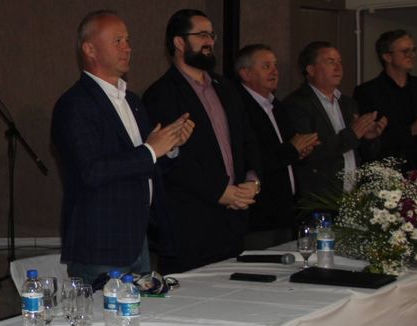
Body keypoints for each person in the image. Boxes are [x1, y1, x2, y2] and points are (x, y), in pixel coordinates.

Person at [51, 9, 193, 284]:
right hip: (100, 244)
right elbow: (90, 171)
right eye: (117, 41)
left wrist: (169, 147)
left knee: (140, 310)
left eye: (128, 40)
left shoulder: (133, 101)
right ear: (90, 49)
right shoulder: (74, 105)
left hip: (137, 238)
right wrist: (151, 150)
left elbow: (144, 165)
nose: (127, 48)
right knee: (106, 313)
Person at [142, 9, 261, 273]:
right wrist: (220, 191)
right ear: (179, 42)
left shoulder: (226, 88)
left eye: (212, 35)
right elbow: (172, 162)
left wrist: (252, 181)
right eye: (202, 35)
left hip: (234, 223)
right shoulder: (161, 94)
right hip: (191, 228)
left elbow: (248, 140)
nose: (210, 41)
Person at [282, 41, 386, 199]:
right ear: (311, 70)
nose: (338, 67)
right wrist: (352, 134)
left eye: (339, 62)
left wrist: (368, 138)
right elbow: (309, 152)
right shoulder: (297, 104)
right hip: (320, 197)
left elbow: (362, 153)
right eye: (330, 62)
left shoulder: (348, 103)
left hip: (352, 196)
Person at [234, 44, 319, 234]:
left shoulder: (277, 106)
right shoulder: (239, 108)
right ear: (246, 73)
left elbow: (288, 150)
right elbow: (251, 159)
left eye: (275, 65)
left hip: (287, 210)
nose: (274, 71)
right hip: (259, 215)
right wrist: (291, 150)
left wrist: (301, 151)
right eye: (266, 66)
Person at [354, 29, 417, 175]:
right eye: (405, 51)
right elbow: (366, 142)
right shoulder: (367, 92)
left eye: (414, 50)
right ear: (387, 57)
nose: (411, 55)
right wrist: (410, 130)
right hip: (386, 175)